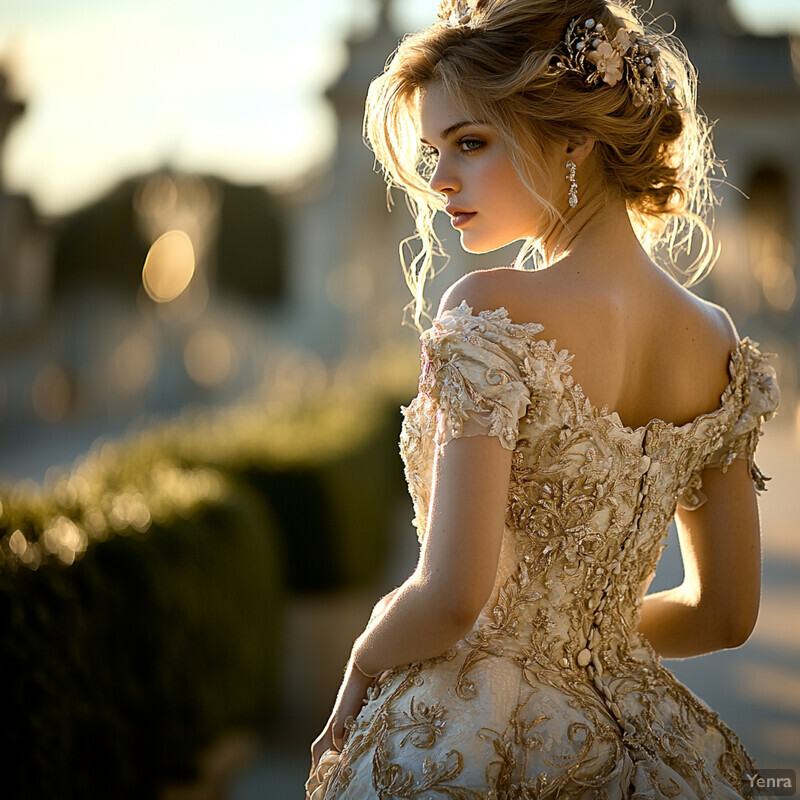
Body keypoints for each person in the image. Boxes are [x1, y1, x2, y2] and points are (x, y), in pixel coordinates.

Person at [306, 0, 781, 797]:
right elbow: (723, 614)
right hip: (654, 745)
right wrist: (581, 637)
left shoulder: (489, 310)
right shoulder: (716, 337)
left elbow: (453, 596)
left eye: (471, 143)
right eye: (432, 151)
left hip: (473, 740)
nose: (440, 179)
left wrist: (365, 655)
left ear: (573, 139)